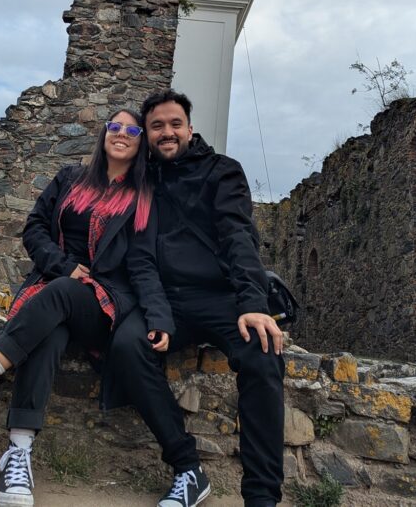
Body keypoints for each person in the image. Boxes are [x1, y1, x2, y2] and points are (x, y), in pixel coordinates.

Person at [0, 109, 173, 507]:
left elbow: (145, 264)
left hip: (106, 302)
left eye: (133, 130)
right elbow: (35, 229)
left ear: (141, 142)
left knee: (61, 294)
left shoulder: (143, 198)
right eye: (116, 126)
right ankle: (18, 456)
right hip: (54, 288)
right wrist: (62, 266)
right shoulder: (70, 179)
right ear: (104, 133)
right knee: (50, 330)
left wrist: (159, 316)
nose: (123, 134)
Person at [107, 89, 285, 507]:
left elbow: (238, 236)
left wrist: (253, 304)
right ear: (147, 134)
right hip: (166, 299)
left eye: (174, 124)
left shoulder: (222, 172)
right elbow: (140, 256)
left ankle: (262, 498)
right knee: (127, 346)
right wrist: (157, 315)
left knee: (263, 355)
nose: (166, 132)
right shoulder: (141, 181)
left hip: (220, 296)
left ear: (189, 127)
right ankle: (187, 467)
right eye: (156, 126)